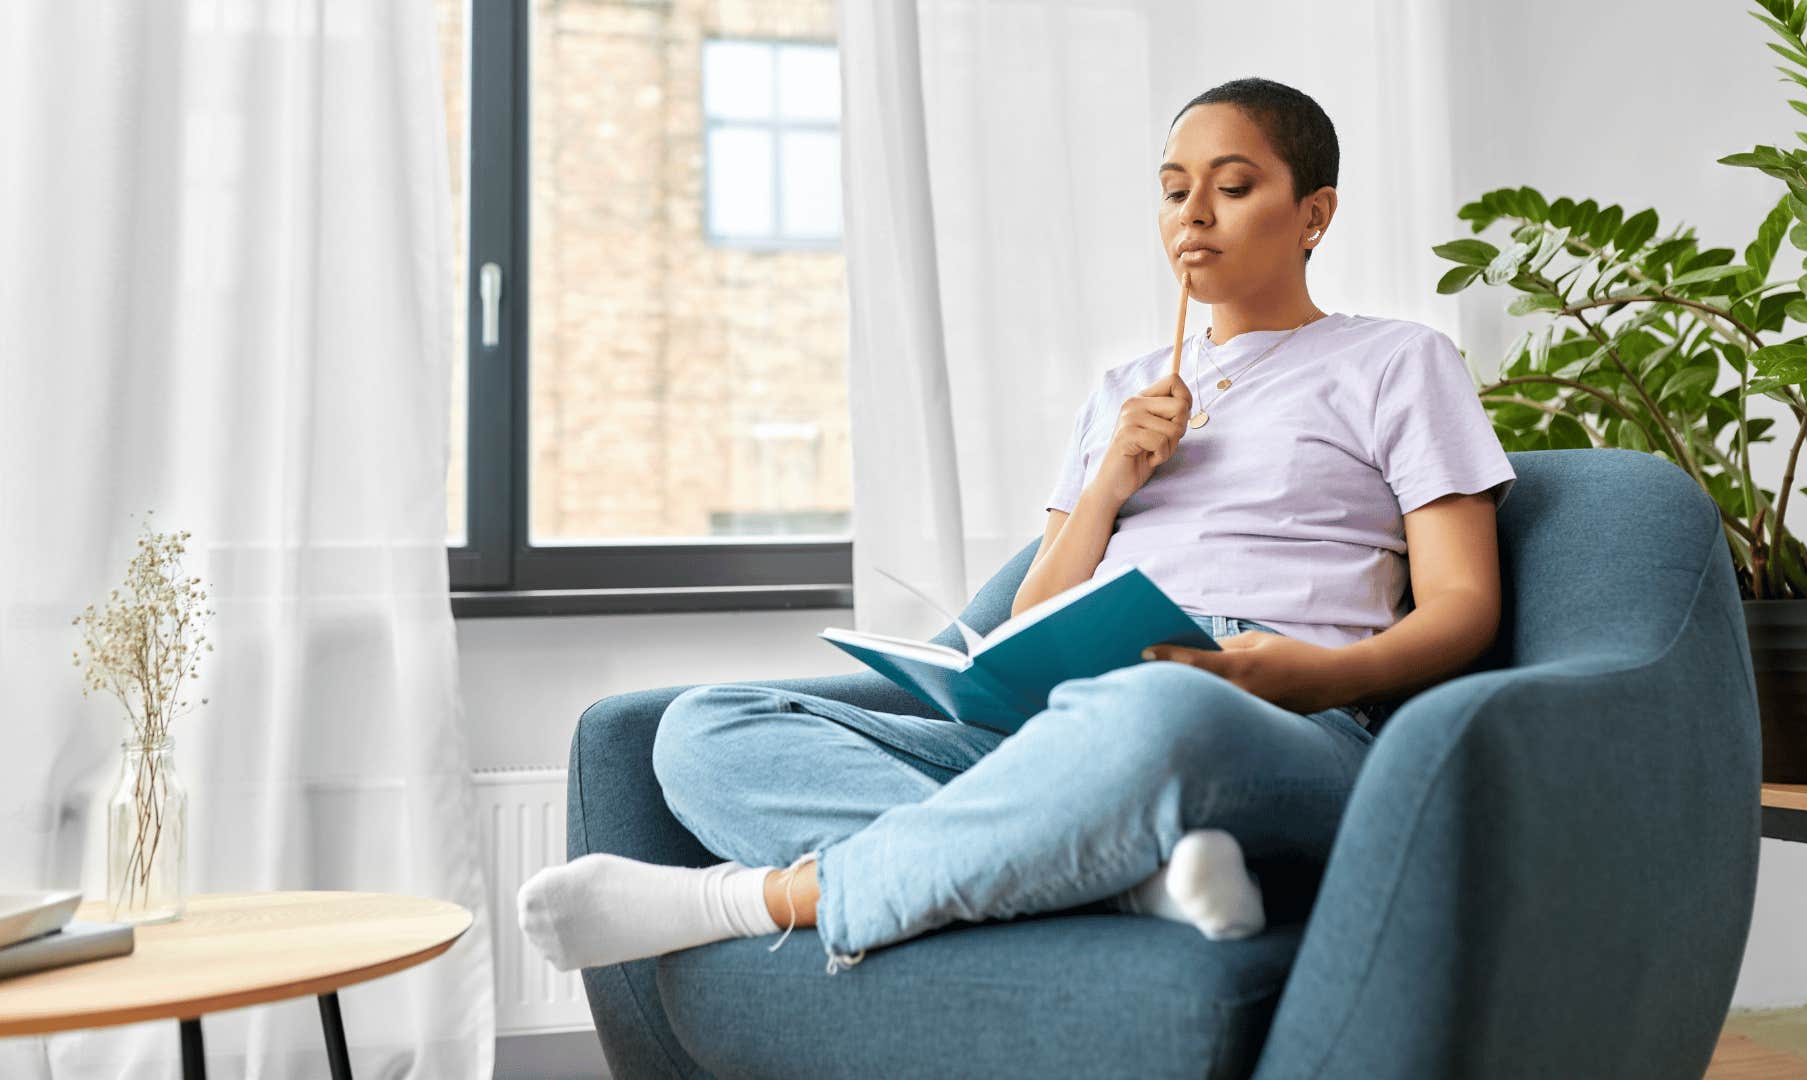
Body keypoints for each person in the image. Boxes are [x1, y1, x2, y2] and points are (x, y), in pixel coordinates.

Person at [517, 76, 1516, 978]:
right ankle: (1118, 878)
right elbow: (1027, 620)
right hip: (1071, 733)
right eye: (1174, 191)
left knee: (1158, 711)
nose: (1193, 216)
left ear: (1314, 214)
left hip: (1285, 722)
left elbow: (1465, 608)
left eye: (1233, 185)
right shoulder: (1125, 393)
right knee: (702, 730)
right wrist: (1110, 481)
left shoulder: (1399, 363)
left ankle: (745, 901)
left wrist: (1295, 671)